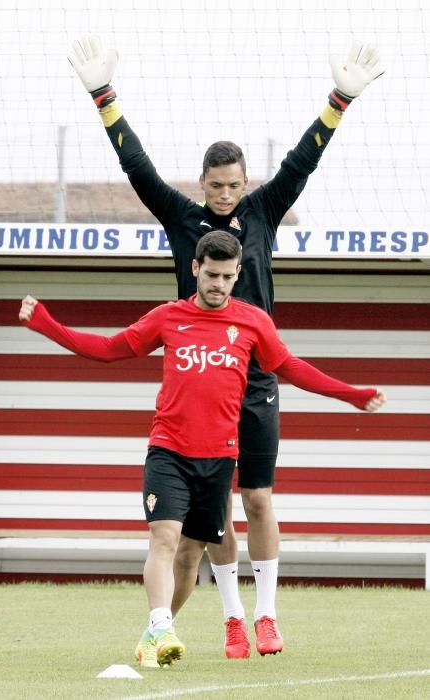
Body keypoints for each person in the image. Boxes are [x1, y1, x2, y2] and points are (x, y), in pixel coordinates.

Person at [67, 36, 385, 659]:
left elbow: (301, 163)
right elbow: (140, 172)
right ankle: (231, 618)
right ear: (204, 183)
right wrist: (105, 99)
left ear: (244, 182)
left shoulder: (264, 211)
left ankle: (265, 617)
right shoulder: (184, 219)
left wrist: (340, 99)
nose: (224, 193)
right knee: (210, 518)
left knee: (259, 497)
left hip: (256, 376)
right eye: (215, 184)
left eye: (233, 183)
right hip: (199, 379)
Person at [19, 230, 385, 668]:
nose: (218, 284)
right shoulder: (168, 318)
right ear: (195, 269)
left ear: (237, 275)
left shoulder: (253, 322)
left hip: (218, 459)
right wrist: (46, 323)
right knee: (164, 539)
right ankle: (160, 624)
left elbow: (290, 367)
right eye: (211, 274)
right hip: (168, 450)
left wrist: (350, 394)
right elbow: (109, 349)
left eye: (227, 276)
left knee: (191, 556)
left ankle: (156, 631)